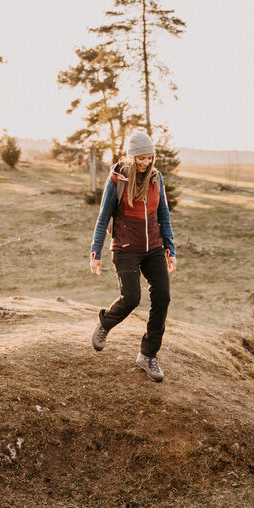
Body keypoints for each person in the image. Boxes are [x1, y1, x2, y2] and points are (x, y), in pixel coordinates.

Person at [89, 131, 177, 383]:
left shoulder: (156, 178)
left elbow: (164, 216)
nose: (146, 163)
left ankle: (147, 355)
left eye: (150, 158)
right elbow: (103, 217)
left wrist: (170, 249)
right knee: (131, 297)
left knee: (163, 296)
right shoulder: (118, 179)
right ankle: (105, 323)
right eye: (141, 158)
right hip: (125, 249)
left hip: (154, 249)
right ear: (132, 155)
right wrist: (95, 253)